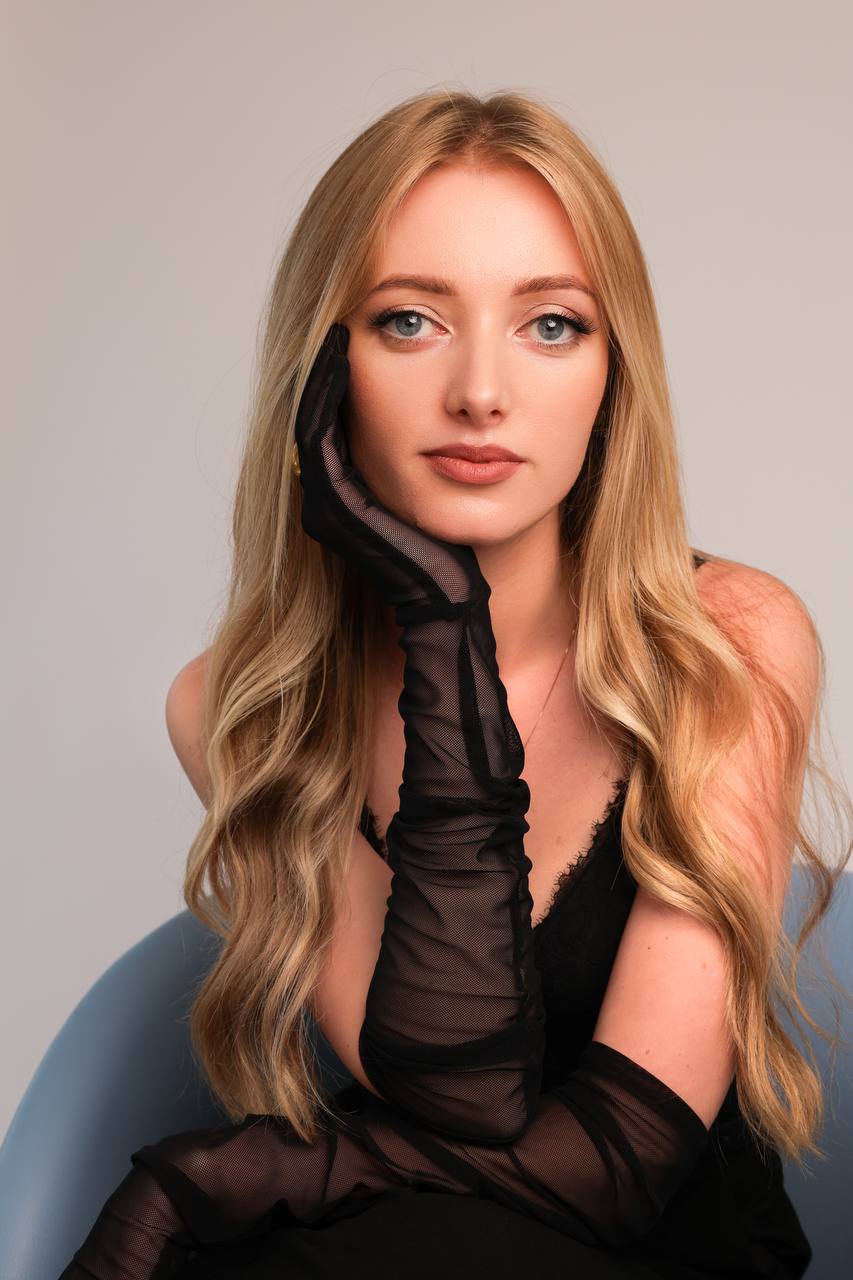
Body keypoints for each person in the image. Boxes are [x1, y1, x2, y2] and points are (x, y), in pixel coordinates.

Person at [58, 88, 849, 1280]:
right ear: (323, 369)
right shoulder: (245, 707)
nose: (481, 390)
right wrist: (444, 622)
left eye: (550, 325)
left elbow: (617, 1162)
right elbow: (460, 1096)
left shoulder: (724, 640)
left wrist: (244, 1169)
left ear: (612, 373)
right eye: (410, 321)